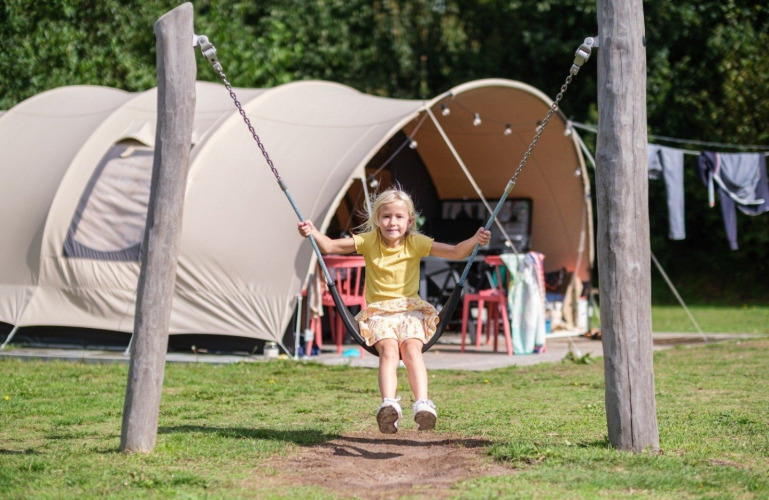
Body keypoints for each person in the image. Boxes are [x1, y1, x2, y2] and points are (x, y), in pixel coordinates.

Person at [298, 187, 491, 434]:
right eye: (386, 216)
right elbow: (330, 247)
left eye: (399, 217)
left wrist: (476, 240)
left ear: (409, 221)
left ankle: (422, 403)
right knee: (389, 349)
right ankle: (388, 404)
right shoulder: (369, 241)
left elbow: (455, 252)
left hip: (410, 311)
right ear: (377, 219)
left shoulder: (415, 242)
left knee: (412, 348)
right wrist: (312, 232)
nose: (392, 222)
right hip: (379, 314)